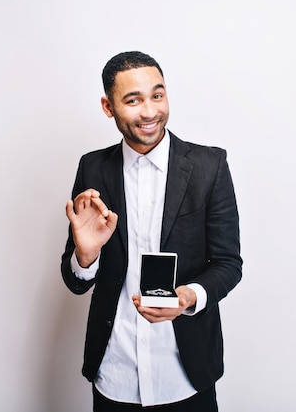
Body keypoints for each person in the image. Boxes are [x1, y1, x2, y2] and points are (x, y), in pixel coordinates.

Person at [61, 51, 242, 412]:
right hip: (115, 374)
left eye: (157, 95)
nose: (149, 112)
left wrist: (188, 297)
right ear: (108, 106)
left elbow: (228, 263)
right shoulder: (92, 168)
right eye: (133, 100)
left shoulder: (209, 166)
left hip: (185, 374)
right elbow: (77, 281)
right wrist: (85, 255)